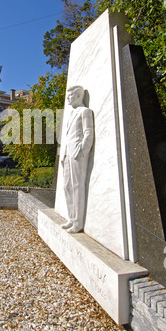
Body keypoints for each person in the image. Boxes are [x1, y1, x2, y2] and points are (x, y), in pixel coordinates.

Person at [61, 86, 94, 233]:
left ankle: (78, 223)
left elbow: (88, 133)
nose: (67, 98)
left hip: (78, 154)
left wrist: (82, 151)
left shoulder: (85, 111)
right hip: (68, 154)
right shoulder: (71, 113)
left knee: (77, 186)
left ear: (78, 95)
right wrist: (64, 154)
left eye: (70, 96)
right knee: (67, 186)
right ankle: (71, 218)